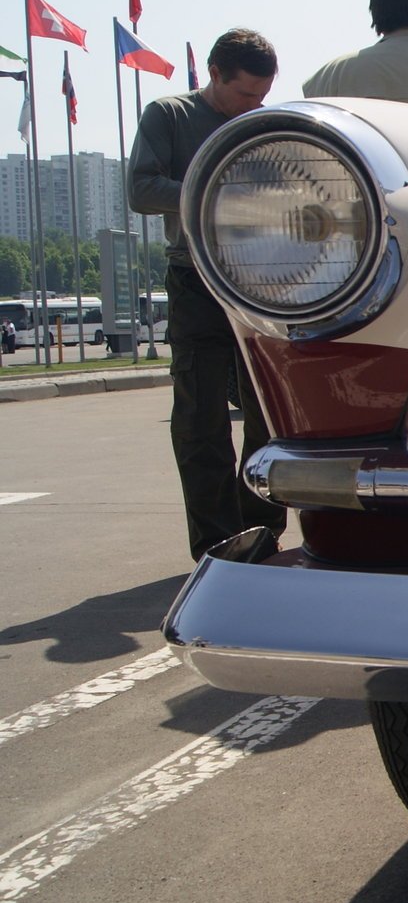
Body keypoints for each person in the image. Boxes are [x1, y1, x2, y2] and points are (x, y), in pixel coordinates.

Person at [128, 28, 287, 561]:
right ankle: (216, 542)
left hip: (259, 282)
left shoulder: (262, 124)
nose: (253, 105)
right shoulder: (169, 116)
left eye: (262, 95)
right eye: (245, 94)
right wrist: (217, 194)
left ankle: (262, 528)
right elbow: (141, 189)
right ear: (214, 74)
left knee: (268, 411)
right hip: (195, 279)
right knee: (201, 416)